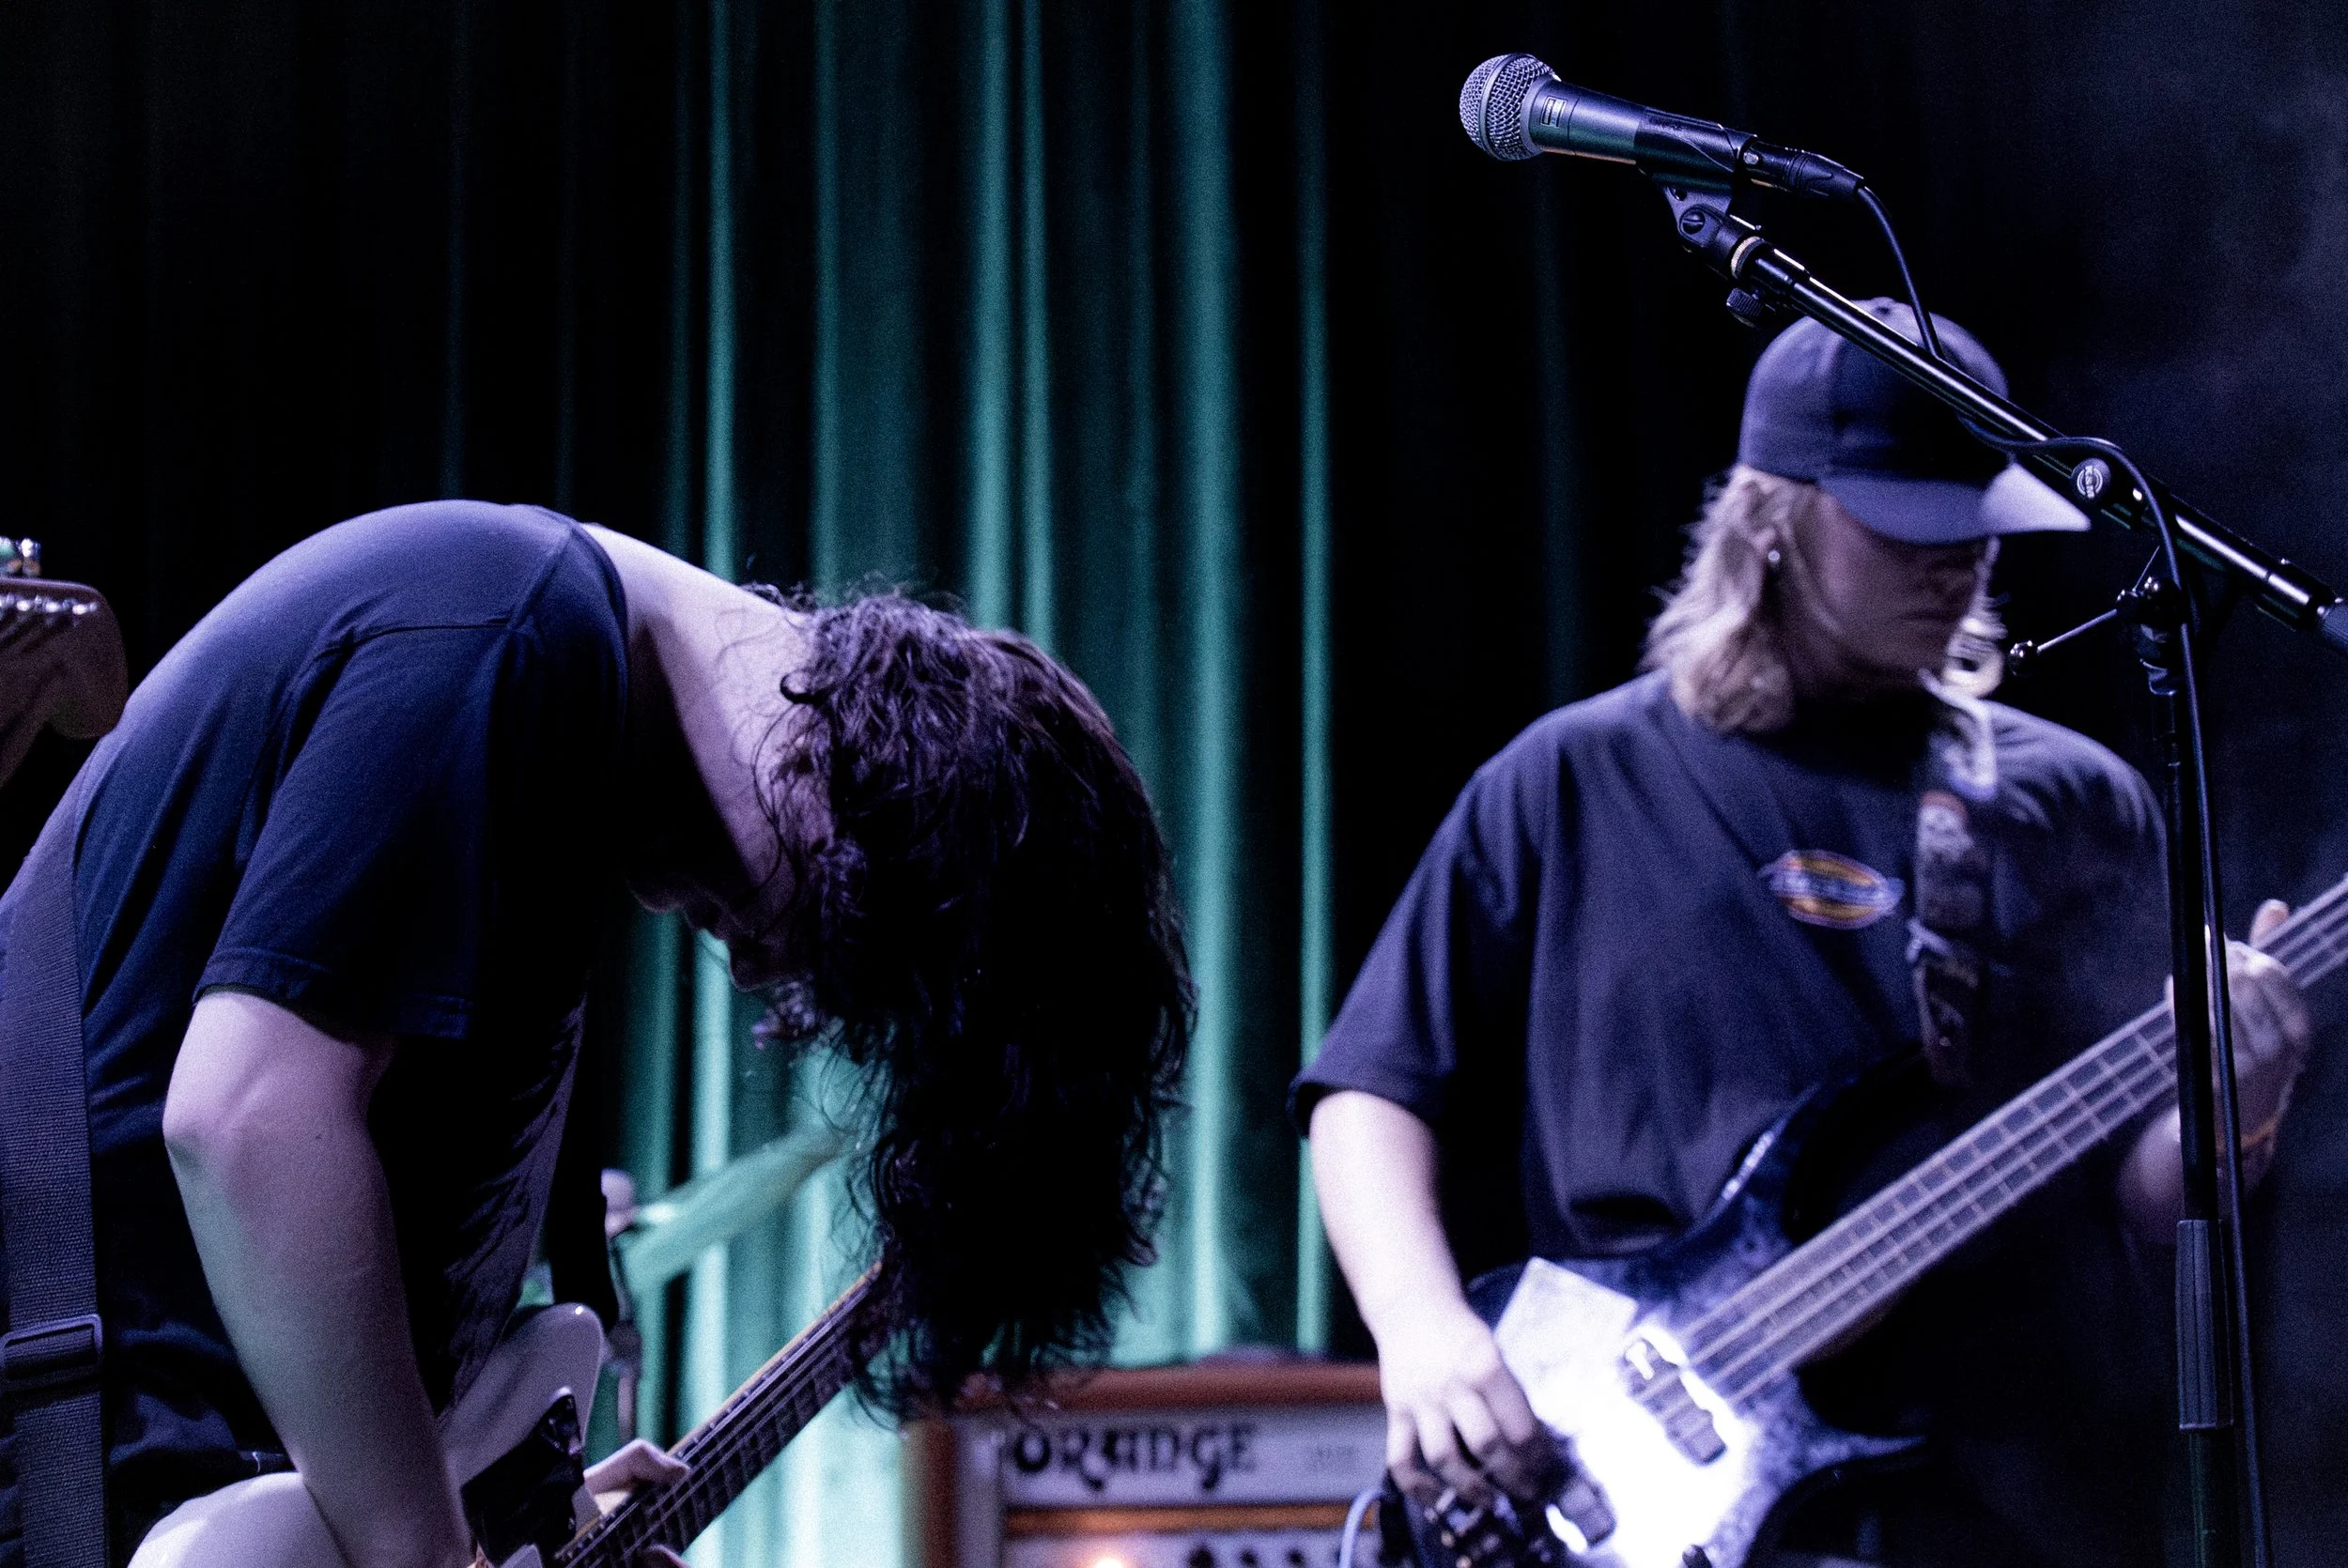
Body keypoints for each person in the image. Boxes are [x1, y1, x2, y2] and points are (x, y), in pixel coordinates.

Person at [1298, 302, 2310, 1566]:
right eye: (1909, 531)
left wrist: (2239, 1110)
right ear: (1772, 521)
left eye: (1976, 532)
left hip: (2001, 1498)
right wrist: (1425, 1331)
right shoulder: (1573, 780)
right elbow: (1369, 1090)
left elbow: (2141, 1198)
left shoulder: (2073, 798)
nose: (1960, 569)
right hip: (1644, 1485)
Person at [0, 500, 1191, 1567]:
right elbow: (248, 1116)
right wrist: (422, 1545)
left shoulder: (542, 703)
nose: (786, 973)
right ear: (885, 786)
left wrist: (507, 1507)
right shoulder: (505, 628)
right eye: (857, 949)